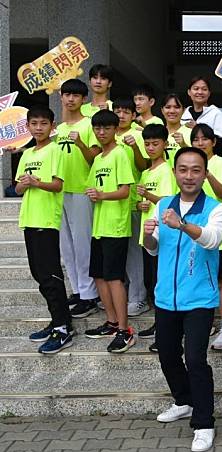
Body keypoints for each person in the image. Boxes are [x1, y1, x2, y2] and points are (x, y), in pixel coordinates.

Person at [143, 146, 222, 452]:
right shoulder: (163, 204)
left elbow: (212, 240)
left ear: (204, 174)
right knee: (167, 355)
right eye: (183, 169)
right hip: (166, 298)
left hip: (199, 300)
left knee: (195, 359)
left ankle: (204, 423)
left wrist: (182, 224)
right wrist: (148, 234)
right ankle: (184, 400)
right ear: (175, 172)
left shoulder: (215, 208)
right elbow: (153, 249)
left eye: (195, 170)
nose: (189, 175)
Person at [16, 105, 72, 354]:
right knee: (38, 274)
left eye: (43, 124)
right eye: (34, 124)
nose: (38, 128)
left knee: (50, 275)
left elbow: (58, 185)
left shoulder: (56, 150)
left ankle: (63, 328)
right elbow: (17, 189)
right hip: (29, 219)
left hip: (47, 221)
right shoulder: (26, 154)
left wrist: (36, 182)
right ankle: (57, 320)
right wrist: (25, 183)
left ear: (52, 126)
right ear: (27, 126)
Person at [83, 110, 136, 353]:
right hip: (99, 226)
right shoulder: (98, 159)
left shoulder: (120, 154)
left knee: (114, 277)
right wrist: (96, 195)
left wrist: (102, 195)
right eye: (98, 128)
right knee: (99, 275)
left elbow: (125, 190)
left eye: (106, 128)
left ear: (116, 129)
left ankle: (125, 330)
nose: (102, 132)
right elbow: (93, 189)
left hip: (116, 226)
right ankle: (112, 322)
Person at [56, 79, 101, 318]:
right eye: (67, 95)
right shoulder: (59, 130)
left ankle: (89, 294)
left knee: (83, 244)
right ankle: (76, 289)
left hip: (82, 190)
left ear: (84, 99)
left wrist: (81, 143)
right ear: (61, 97)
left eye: (76, 95)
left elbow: (95, 157)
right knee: (66, 246)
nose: (71, 99)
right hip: (59, 191)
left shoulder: (89, 125)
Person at [190, 124, 222, 350]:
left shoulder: (219, 163)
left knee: (221, 281)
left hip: (217, 236)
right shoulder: (190, 165)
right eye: (196, 140)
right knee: (198, 280)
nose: (200, 143)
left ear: (214, 142)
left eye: (204, 139)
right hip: (193, 234)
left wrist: (207, 175)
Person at [136, 124, 178, 351]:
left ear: (165, 144)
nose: (151, 148)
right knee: (150, 283)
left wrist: (149, 196)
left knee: (160, 284)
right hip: (147, 234)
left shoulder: (168, 170)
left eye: (155, 143)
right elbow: (144, 203)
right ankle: (158, 325)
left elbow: (170, 202)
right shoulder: (145, 172)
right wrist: (140, 202)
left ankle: (165, 330)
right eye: (148, 144)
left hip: (162, 237)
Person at [113, 98, 150, 317]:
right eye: (117, 110)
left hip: (135, 202)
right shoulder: (108, 135)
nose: (121, 115)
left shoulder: (137, 134)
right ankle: (125, 293)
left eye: (126, 111)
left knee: (135, 254)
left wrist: (135, 146)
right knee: (122, 253)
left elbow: (144, 165)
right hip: (112, 205)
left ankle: (138, 297)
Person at [181, 76, 222, 140]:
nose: (200, 92)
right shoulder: (183, 114)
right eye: (196, 89)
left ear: (209, 93)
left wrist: (198, 128)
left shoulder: (216, 114)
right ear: (189, 92)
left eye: (204, 89)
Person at [160, 94, 192, 167]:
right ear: (162, 110)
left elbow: (198, 159)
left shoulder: (191, 133)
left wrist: (184, 145)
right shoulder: (157, 133)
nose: (172, 111)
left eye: (177, 107)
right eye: (168, 107)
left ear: (183, 110)